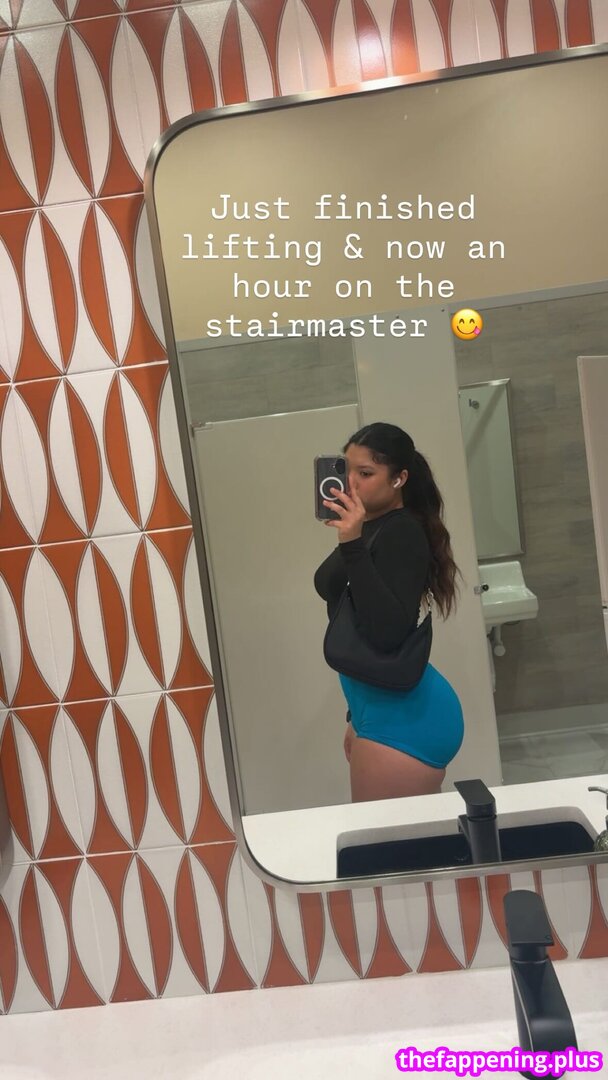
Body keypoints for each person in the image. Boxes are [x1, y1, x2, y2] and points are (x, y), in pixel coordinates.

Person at [313, 422, 464, 802]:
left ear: (399, 479)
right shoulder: (370, 527)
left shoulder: (402, 532)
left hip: (404, 721)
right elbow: (353, 607)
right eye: (347, 469)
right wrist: (356, 714)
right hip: (380, 709)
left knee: (386, 841)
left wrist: (351, 543)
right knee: (412, 836)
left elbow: (387, 633)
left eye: (365, 473)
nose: (351, 482)